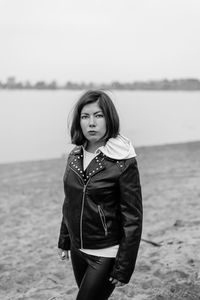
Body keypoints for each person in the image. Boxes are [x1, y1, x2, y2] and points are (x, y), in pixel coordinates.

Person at [58, 90, 143, 300]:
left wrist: (124, 266)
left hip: (106, 253)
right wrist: (65, 239)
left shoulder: (123, 161)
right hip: (78, 250)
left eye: (98, 115)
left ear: (109, 118)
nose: (91, 123)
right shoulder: (75, 155)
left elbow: (133, 218)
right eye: (85, 116)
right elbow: (70, 202)